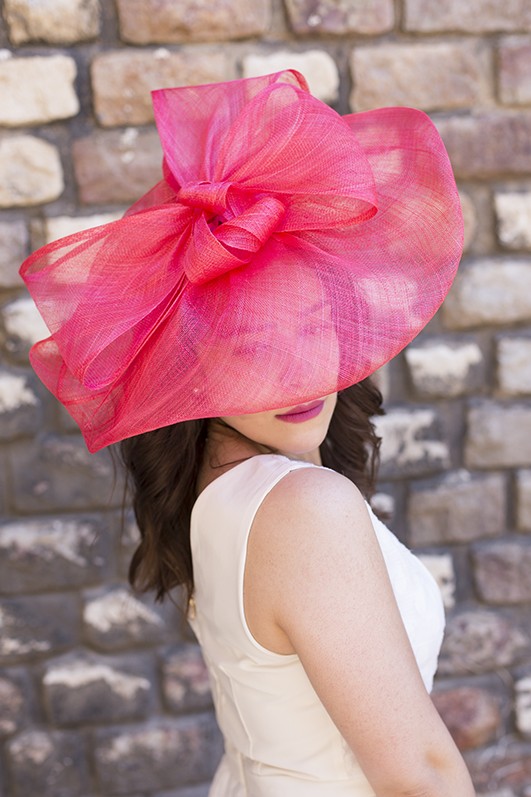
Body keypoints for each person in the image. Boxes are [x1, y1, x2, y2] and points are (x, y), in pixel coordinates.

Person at [20, 70, 476, 796]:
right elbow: (421, 776)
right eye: (253, 342)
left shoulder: (218, 487)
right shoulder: (303, 507)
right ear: (195, 359)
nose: (295, 377)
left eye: (310, 328)